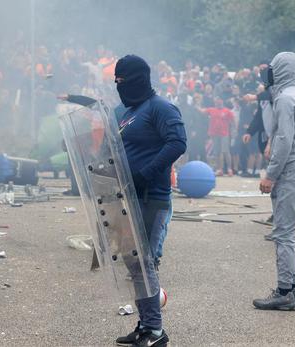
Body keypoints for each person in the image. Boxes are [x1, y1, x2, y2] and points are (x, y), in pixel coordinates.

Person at [114, 55, 186, 347]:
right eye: (115, 82)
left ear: (138, 78)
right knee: (135, 265)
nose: (118, 86)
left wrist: (146, 174)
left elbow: (177, 143)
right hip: (127, 198)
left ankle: (156, 331)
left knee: (145, 263)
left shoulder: (161, 108)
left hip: (152, 198)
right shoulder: (125, 111)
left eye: (122, 81)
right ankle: (144, 326)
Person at [253, 52, 295, 311]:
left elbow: (284, 140)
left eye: (273, 68)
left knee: (284, 234)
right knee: (288, 233)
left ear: (281, 70)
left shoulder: (285, 99)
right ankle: (293, 289)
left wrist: (271, 175)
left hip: (291, 171)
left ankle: (284, 292)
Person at [199, 97, 235, 176]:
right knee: (217, 152)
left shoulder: (227, 111)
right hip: (214, 134)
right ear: (215, 103)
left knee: (225, 151)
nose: (218, 103)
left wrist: (233, 133)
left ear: (222, 102)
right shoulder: (211, 110)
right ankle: (219, 169)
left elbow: (233, 122)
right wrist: (197, 105)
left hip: (224, 134)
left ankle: (229, 169)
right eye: (216, 102)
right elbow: (202, 111)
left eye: (219, 102)